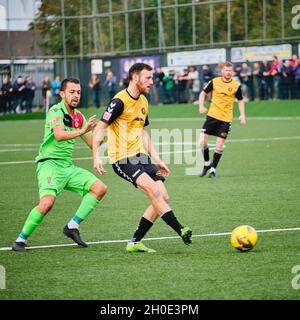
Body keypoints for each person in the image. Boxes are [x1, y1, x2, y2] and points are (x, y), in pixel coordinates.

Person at [92, 63, 192, 253]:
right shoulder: (119, 101)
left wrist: (158, 159)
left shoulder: (144, 101)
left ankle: (134, 242)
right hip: (122, 159)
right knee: (154, 192)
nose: (152, 81)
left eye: (152, 78)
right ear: (135, 78)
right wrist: (96, 156)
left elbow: (144, 133)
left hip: (141, 156)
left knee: (163, 196)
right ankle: (181, 229)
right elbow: (99, 128)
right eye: (147, 78)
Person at [12, 77, 107, 252]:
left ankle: (72, 226)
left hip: (67, 166)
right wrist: (83, 130)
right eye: (71, 92)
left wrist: (105, 131)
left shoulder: (79, 117)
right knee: (47, 203)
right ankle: (20, 240)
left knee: (99, 188)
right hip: (48, 164)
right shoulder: (55, 111)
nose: (76, 95)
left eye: (78, 92)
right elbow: (59, 135)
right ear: (62, 94)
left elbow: (92, 142)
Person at [198, 61, 246, 178]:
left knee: (219, 144)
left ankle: (213, 170)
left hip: (225, 119)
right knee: (202, 141)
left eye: (230, 70)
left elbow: (240, 100)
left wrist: (242, 114)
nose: (228, 72)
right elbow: (203, 93)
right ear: (222, 71)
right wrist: (201, 106)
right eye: (225, 70)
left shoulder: (236, 85)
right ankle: (207, 163)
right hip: (212, 115)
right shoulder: (214, 81)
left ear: (232, 72)